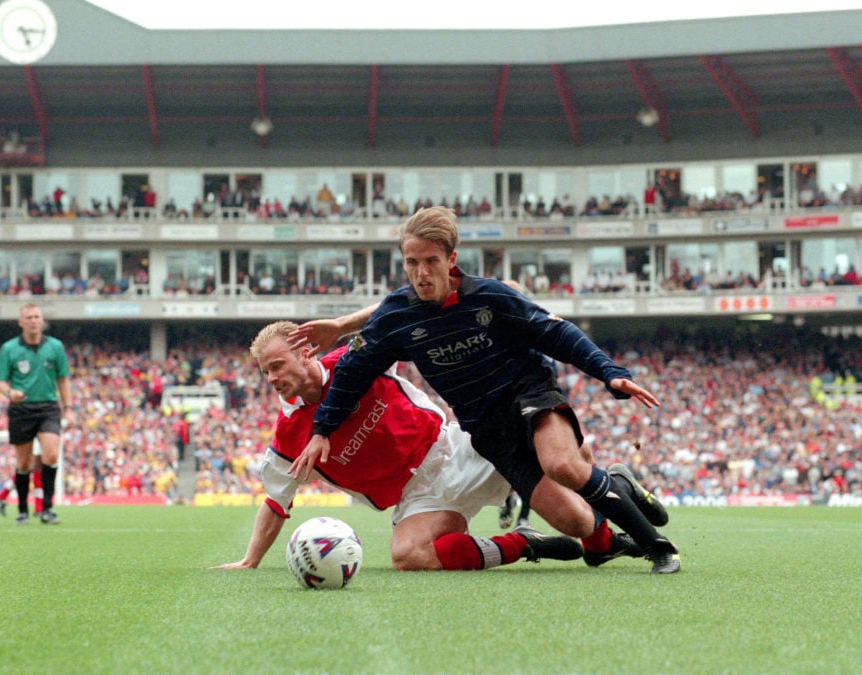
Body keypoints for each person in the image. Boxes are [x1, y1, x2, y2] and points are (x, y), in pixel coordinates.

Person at [291, 206, 680, 573]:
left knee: (562, 464)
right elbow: (352, 371)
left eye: (431, 261)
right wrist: (322, 430)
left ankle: (658, 547)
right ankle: (618, 490)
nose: (421, 272)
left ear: (451, 259)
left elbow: (554, 331)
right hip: (489, 430)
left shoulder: (490, 296)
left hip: (528, 394)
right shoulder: (396, 317)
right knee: (574, 521)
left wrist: (608, 372)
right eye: (412, 263)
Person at [212, 321, 642, 572]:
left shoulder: (353, 358)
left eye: (276, 365)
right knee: (408, 555)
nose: (270, 378)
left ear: (305, 352)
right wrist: (250, 560)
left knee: (568, 487)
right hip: (417, 497)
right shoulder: (288, 436)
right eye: (265, 372)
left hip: (460, 448)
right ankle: (524, 543)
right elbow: (275, 501)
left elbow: (394, 314)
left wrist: (342, 327)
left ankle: (601, 531)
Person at [0, 303, 73, 525]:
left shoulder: (55, 347)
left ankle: (47, 508)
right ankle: (22, 510)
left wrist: (69, 408)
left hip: (48, 407)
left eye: (37, 316)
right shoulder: (9, 349)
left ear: (42, 320)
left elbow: (63, 379)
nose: (33, 321)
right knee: (24, 463)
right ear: (21, 322)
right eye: (29, 317)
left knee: (51, 455)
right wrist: (10, 392)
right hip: (21, 410)